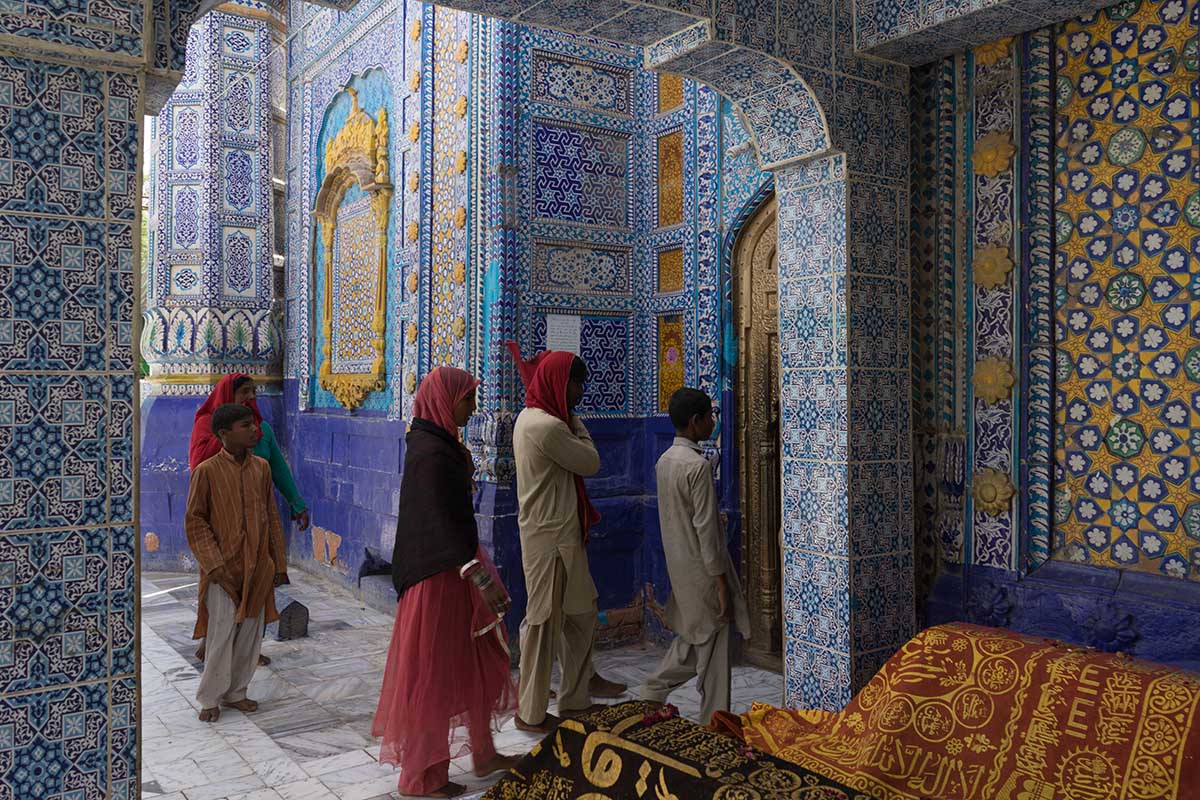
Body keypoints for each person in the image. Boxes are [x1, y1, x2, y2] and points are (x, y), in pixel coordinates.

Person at [372, 367, 520, 798]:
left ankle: (484, 751)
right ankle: (421, 775)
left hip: (456, 564)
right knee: (434, 673)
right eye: (468, 400)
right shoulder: (430, 455)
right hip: (439, 574)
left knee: (476, 658)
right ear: (446, 399)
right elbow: (436, 521)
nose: (473, 409)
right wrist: (475, 574)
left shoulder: (440, 445)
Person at [506, 344, 627, 734]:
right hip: (551, 539)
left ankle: (576, 696)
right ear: (561, 382)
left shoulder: (533, 417)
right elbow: (590, 461)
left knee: (580, 613)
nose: (580, 393)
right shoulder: (548, 426)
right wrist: (576, 421)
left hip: (559, 535)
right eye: (576, 384)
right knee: (543, 623)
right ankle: (531, 712)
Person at [639, 388, 749, 725]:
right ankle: (715, 724)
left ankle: (650, 693)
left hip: (680, 569)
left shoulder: (665, 461)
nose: (713, 423)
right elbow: (707, 531)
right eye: (709, 417)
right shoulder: (697, 467)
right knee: (714, 658)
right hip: (702, 573)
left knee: (689, 644)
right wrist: (720, 586)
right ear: (695, 421)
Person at [189, 373, 308, 666]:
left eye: (254, 392)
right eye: (244, 392)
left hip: (256, 525)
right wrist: (233, 446)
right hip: (223, 527)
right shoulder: (207, 427)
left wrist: (297, 503)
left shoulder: (260, 430)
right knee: (222, 593)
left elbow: (277, 468)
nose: (251, 398)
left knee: (256, 589)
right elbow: (200, 470)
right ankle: (213, 644)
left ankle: (249, 649)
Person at [185, 403, 289, 723]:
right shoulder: (206, 471)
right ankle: (210, 698)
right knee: (221, 634)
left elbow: (271, 516)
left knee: (251, 633)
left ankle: (237, 692)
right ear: (223, 434)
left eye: (254, 425)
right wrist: (215, 566)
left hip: (257, 566)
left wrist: (279, 565)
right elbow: (195, 522)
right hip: (223, 570)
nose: (254, 430)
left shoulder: (261, 468)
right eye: (246, 426)